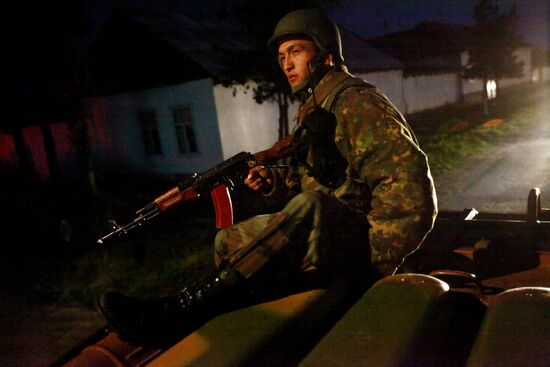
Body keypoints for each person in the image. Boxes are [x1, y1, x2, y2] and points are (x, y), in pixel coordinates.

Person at [97, 8, 437, 348]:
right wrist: (272, 179)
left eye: (297, 52)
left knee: (311, 205)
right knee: (228, 240)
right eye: (282, 56)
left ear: (325, 53)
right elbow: (310, 175)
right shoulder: (314, 106)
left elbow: (412, 196)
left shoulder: (357, 102)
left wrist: (372, 265)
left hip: (358, 243)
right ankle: (244, 333)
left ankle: (179, 312)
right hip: (328, 232)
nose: (287, 64)